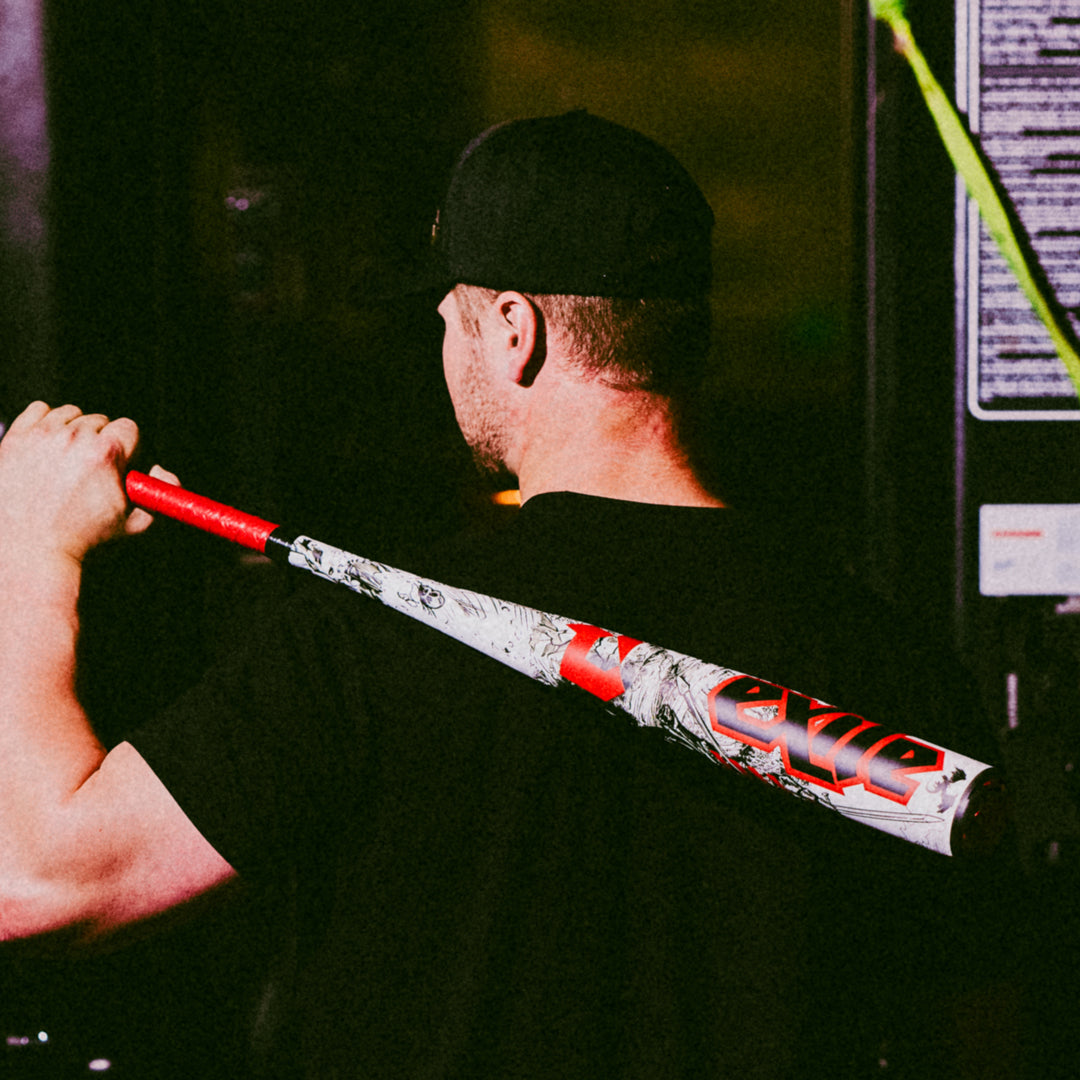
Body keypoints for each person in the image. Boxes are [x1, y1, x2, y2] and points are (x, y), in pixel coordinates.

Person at [0, 111, 1003, 1077]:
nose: (447, 355)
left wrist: (27, 544)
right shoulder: (894, 666)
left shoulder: (364, 644)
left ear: (514, 331)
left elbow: (39, 884)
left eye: (452, 321)